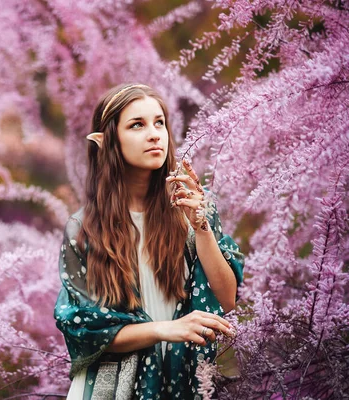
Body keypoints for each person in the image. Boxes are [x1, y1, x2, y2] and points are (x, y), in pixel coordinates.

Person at [53, 83, 244, 399]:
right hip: (110, 388)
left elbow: (227, 298)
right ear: (107, 141)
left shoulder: (194, 205)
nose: (154, 134)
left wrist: (201, 228)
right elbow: (86, 329)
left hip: (182, 381)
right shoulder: (84, 228)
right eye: (137, 125)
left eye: (159, 123)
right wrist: (165, 329)